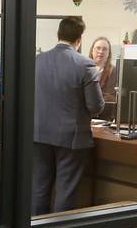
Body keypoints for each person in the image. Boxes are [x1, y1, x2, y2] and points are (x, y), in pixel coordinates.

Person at [32, 16, 104, 215]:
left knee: (39, 189)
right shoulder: (85, 65)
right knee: (66, 190)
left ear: (58, 35)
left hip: (38, 134)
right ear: (79, 39)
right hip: (71, 137)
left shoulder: (38, 61)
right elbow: (95, 106)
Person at [89, 36, 118, 120]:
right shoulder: (84, 69)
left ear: (109, 53)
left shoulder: (113, 71)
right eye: (98, 48)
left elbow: (111, 96)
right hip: (85, 117)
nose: (101, 51)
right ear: (92, 51)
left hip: (105, 118)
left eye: (105, 49)